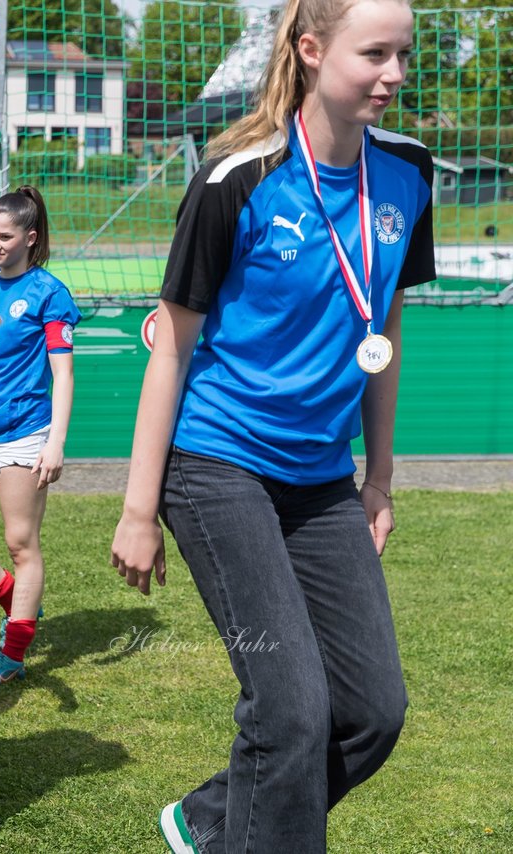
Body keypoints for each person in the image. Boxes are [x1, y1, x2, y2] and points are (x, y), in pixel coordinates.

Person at [109, 0, 432, 850]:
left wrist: (380, 477)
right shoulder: (237, 177)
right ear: (313, 47)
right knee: (291, 713)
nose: (395, 74)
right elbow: (170, 350)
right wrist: (139, 512)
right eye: (375, 54)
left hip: (322, 482)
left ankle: (209, 823)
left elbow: (383, 332)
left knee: (372, 713)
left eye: (404, 53)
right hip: (217, 469)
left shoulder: (408, 176)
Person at [0, 186, 79, 686]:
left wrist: (56, 442)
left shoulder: (49, 294)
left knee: (21, 541)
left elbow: (62, 376)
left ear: (31, 236)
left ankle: (13, 656)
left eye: (4, 236)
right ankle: (14, 597)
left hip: (27, 436)